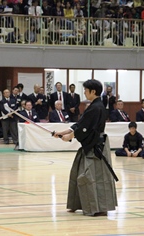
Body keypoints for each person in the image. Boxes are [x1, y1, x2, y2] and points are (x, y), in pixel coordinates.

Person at [53, 79, 117, 217]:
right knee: (79, 174)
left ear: (93, 91)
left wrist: (70, 137)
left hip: (96, 147)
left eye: (86, 90)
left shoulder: (97, 107)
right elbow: (81, 123)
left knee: (91, 177)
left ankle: (98, 207)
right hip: (92, 145)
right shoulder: (94, 106)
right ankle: (80, 204)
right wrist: (64, 132)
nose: (84, 92)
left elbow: (86, 128)